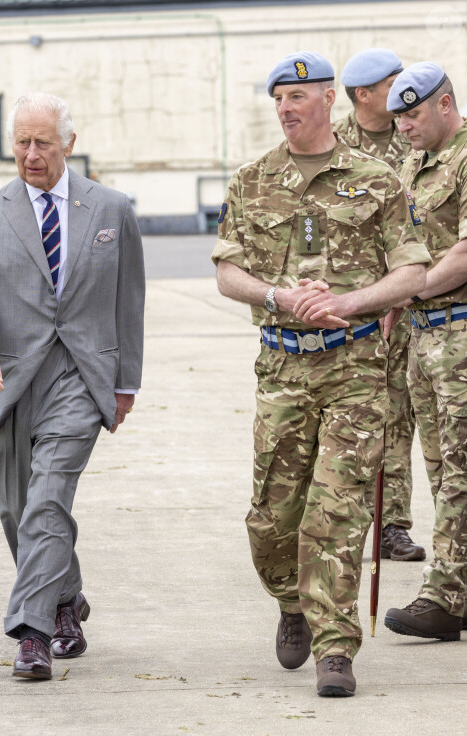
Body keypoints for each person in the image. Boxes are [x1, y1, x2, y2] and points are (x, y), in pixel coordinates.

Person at [212, 51, 430, 697]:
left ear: (330, 99)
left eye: (298, 97)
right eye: (278, 98)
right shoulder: (252, 181)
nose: (286, 108)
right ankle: (291, 602)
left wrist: (346, 303)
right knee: (271, 522)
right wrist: (278, 296)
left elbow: (412, 272)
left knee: (334, 513)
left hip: (356, 369)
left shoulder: (377, 179)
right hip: (282, 366)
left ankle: (335, 648)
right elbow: (227, 272)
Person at [0, 93, 145, 679]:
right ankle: (65, 599)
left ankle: (31, 632)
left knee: (49, 496)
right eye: (21, 143)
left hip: (83, 376)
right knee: (18, 509)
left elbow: (128, 300)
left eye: (43, 144)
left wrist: (125, 381)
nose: (31, 155)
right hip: (6, 379)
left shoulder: (111, 210)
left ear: (69, 145)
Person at [382, 62, 467, 639]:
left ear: (445, 104)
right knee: (440, 471)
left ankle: (444, 596)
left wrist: (403, 289)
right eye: (398, 118)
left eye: (412, 115)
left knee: (462, 471)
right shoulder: (413, 163)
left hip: (460, 336)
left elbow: (464, 256)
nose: (404, 128)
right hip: (422, 336)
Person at [334, 48, 426, 562]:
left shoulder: (416, 136)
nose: (404, 87)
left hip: (414, 305)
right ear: (364, 94)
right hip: (357, 311)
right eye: (394, 82)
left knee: (405, 417)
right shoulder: (334, 145)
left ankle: (394, 524)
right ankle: (349, 522)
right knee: (356, 419)